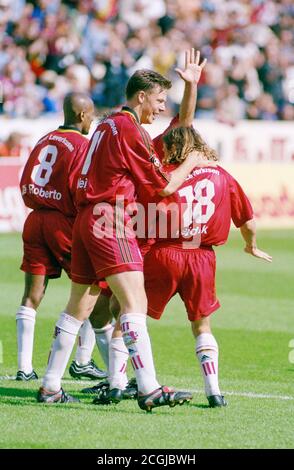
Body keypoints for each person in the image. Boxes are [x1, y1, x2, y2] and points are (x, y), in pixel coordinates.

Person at [38, 49, 207, 411]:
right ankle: (148, 387)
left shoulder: (107, 124)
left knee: (79, 305)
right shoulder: (131, 130)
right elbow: (163, 185)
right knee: (135, 303)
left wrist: (191, 86)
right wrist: (191, 162)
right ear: (141, 96)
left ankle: (51, 384)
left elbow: (182, 126)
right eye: (159, 101)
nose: (161, 108)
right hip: (109, 219)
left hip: (86, 218)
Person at [141, 126, 272, 407]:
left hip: (166, 251)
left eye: (165, 147)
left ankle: (123, 381)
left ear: (174, 147)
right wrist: (251, 245)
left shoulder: (168, 175)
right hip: (201, 256)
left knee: (130, 314)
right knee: (202, 326)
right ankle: (214, 392)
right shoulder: (221, 175)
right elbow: (247, 221)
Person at [17, 93, 107, 382]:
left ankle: (23, 368)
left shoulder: (44, 139)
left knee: (32, 295)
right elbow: (79, 188)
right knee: (94, 289)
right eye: (91, 115)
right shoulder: (83, 144)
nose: (92, 120)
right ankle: (81, 361)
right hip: (63, 224)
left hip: (35, 220)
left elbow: (25, 181)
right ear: (81, 115)